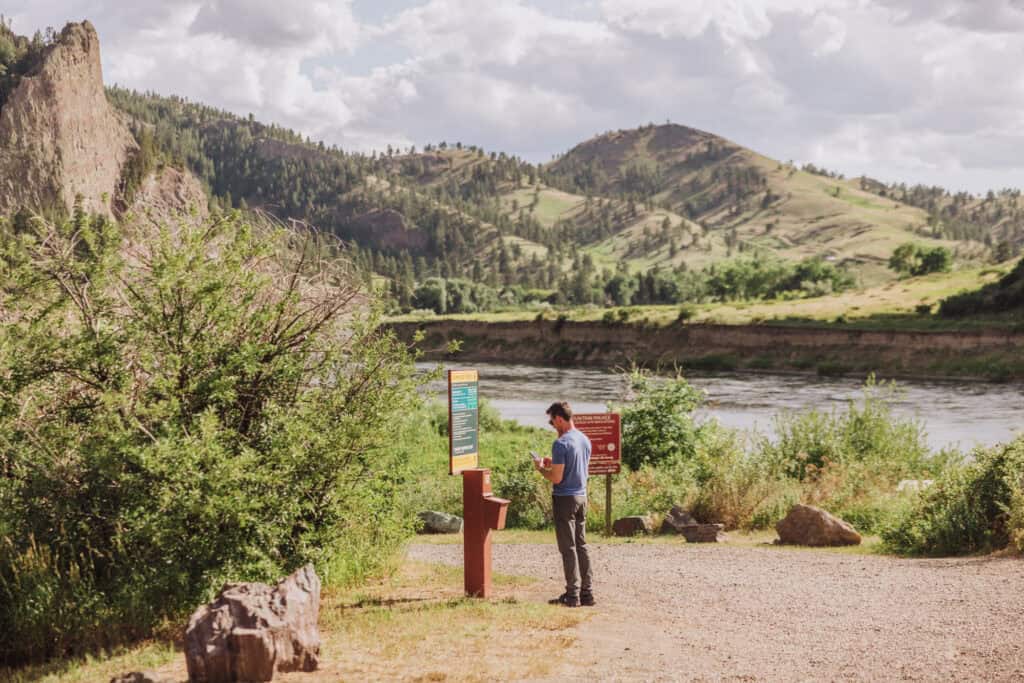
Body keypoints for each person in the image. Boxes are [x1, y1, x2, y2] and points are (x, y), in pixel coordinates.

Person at [534, 401, 594, 607]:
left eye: (552, 422)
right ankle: (587, 593)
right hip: (582, 497)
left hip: (565, 500)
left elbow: (557, 478)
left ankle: (572, 595)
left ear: (559, 419)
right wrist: (555, 462)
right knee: (581, 545)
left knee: (567, 548)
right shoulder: (584, 439)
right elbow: (574, 467)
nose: (552, 426)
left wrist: (541, 468)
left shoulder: (561, 444)